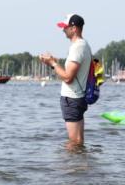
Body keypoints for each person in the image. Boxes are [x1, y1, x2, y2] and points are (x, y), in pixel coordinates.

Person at [39, 13, 92, 148]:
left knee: (74, 142)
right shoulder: (83, 45)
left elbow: (68, 77)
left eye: (65, 27)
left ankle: (70, 168)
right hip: (78, 97)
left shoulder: (77, 47)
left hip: (72, 98)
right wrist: (54, 63)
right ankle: (79, 167)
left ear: (74, 28)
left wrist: (52, 64)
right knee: (79, 141)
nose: (63, 30)